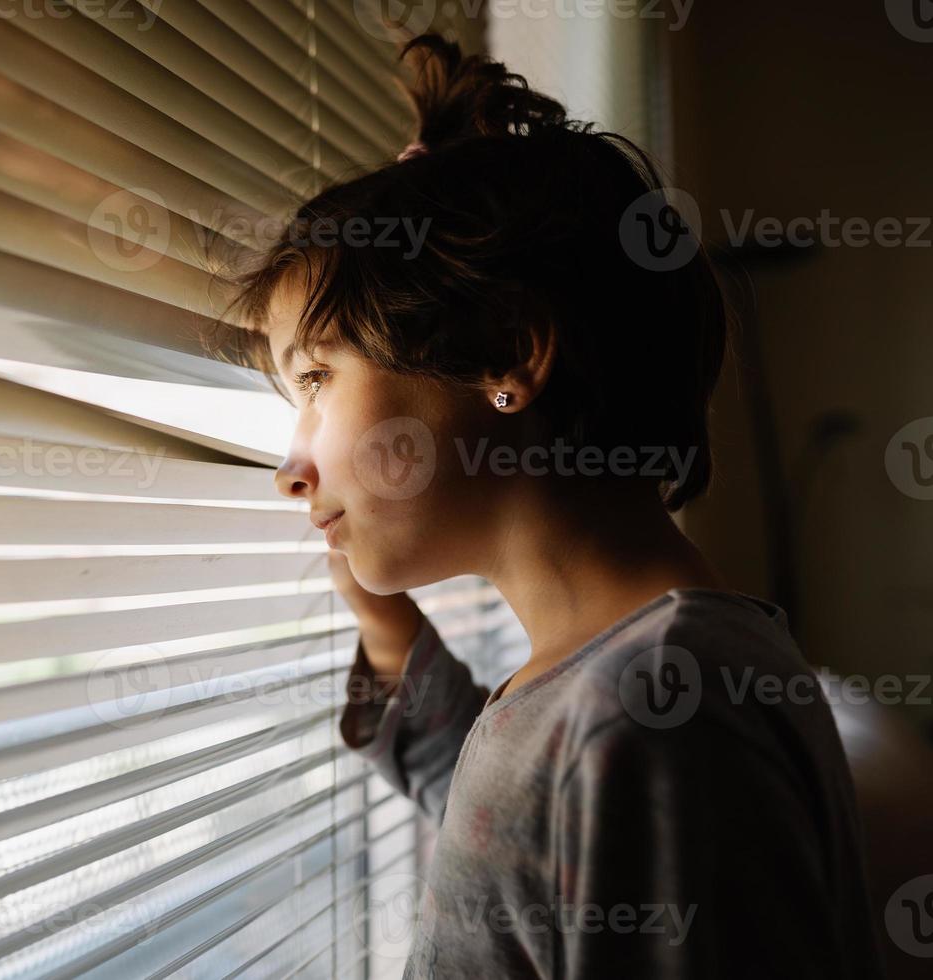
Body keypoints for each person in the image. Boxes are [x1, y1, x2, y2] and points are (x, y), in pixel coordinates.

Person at [212, 33, 884, 979]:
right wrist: (390, 634)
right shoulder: (622, 688)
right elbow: (510, 845)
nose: (292, 467)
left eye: (318, 377)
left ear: (506, 356)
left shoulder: (660, 716)